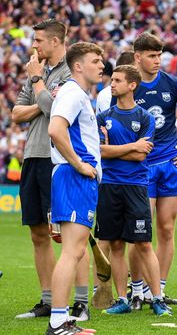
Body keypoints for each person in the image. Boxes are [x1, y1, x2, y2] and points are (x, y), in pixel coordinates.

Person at [12, 20, 91, 322]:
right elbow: (17, 113)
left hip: (59, 159)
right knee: (37, 233)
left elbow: (56, 110)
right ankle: (47, 300)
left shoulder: (71, 72)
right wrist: (41, 93)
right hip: (32, 155)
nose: (35, 46)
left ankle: (80, 302)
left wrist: (38, 89)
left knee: (72, 234)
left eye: (39, 41)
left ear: (56, 41)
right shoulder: (37, 72)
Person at [127, 32, 177, 306]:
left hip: (171, 164)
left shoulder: (173, 84)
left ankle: (157, 291)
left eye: (159, 55)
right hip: (141, 168)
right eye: (151, 56)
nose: (157, 61)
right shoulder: (128, 86)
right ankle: (136, 289)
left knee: (166, 230)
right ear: (137, 57)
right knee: (141, 231)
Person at [95, 65, 172, 316]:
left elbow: (142, 155)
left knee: (143, 244)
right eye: (111, 80)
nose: (111, 84)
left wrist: (120, 150)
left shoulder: (144, 117)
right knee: (116, 245)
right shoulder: (104, 116)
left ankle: (157, 299)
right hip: (109, 186)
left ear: (132, 85)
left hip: (137, 187)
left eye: (117, 80)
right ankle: (122, 299)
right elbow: (100, 151)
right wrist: (132, 146)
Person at [45, 42, 105, 335]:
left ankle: (61, 319)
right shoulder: (72, 92)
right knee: (72, 252)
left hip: (76, 177)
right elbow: (55, 130)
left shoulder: (77, 94)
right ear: (78, 66)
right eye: (96, 60)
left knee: (75, 251)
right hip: (74, 176)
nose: (102, 65)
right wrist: (80, 164)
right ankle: (57, 322)